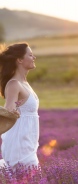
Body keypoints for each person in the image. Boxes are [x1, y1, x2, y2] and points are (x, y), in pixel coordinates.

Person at [0, 43, 40, 172]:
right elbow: (9, 110)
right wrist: (12, 110)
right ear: (20, 60)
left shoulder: (25, 83)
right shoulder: (14, 84)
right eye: (30, 55)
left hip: (28, 141)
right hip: (19, 143)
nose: (34, 57)